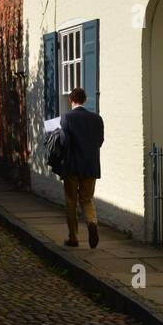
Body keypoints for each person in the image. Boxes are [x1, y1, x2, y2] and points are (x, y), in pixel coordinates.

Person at [59, 86, 103, 249]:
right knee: (87, 199)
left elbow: (64, 142)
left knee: (71, 201)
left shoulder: (67, 118)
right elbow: (99, 142)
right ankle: (92, 223)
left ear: (71, 100)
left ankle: (74, 238)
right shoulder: (97, 119)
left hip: (72, 166)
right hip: (91, 166)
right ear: (85, 100)